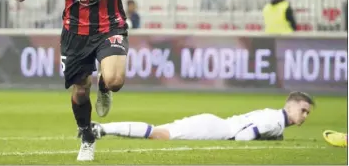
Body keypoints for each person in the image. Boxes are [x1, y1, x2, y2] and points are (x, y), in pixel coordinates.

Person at [11, 0, 204, 162]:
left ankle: (104, 84)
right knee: (80, 90)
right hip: (76, 32)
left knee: (115, 81)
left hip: (111, 24)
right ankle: (86, 136)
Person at [88, 91, 314, 141]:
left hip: (215, 125)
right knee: (159, 134)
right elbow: (244, 137)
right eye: (303, 110)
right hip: (217, 130)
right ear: (290, 106)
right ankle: (103, 129)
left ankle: (102, 129)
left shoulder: (274, 117)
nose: (304, 116)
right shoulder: (275, 121)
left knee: (159, 132)